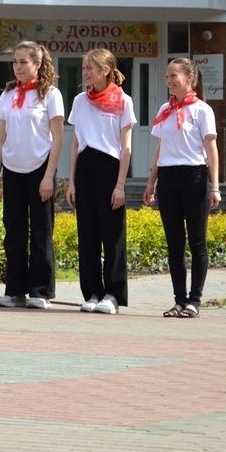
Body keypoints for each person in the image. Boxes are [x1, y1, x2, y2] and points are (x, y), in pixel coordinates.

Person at [143, 56, 220, 319]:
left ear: (190, 78)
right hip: (168, 178)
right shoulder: (165, 109)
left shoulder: (202, 110)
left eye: (173, 76)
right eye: (167, 76)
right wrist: (151, 182)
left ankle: (195, 300)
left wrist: (215, 186)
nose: (169, 81)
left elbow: (211, 149)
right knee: (174, 244)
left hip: (194, 176)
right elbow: (160, 148)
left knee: (197, 241)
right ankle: (179, 300)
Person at [0, 41, 64, 309]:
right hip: (12, 169)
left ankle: (40, 291)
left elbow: (58, 139)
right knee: (14, 231)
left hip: (39, 168)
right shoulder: (8, 94)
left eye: (23, 62)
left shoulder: (51, 94)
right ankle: (15, 290)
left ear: (37, 64)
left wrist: (48, 176)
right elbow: (0, 138)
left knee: (42, 231)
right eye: (15, 62)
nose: (18, 67)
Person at [66, 49, 135, 315]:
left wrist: (120, 185)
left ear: (105, 70)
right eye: (84, 68)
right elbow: (75, 144)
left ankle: (113, 294)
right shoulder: (80, 101)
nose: (85, 73)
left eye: (90, 68)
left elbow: (126, 147)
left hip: (110, 168)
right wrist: (71, 182)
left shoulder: (123, 101)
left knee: (113, 234)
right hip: (85, 167)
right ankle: (92, 292)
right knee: (87, 234)